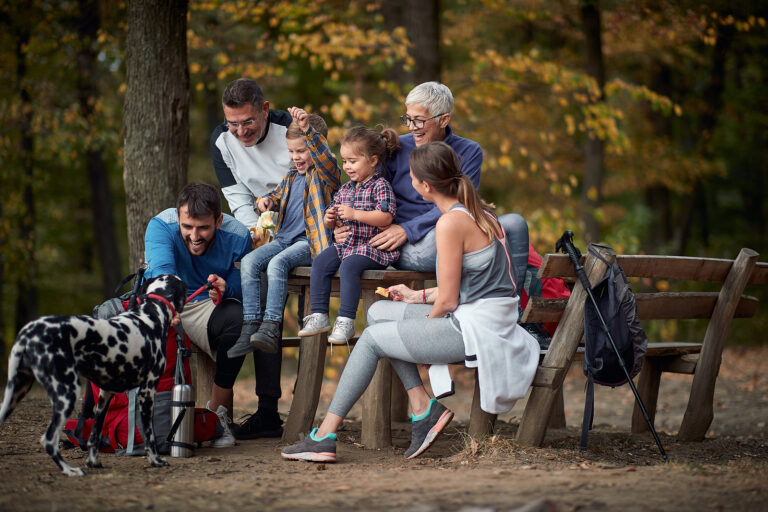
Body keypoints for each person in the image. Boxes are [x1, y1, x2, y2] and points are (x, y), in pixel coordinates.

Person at [281, 142, 539, 463]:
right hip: (481, 315)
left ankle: (324, 435)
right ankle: (422, 407)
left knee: (375, 337)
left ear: (425, 186)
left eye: (412, 178)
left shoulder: (450, 224)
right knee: (378, 312)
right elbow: (465, 288)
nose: (409, 184)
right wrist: (417, 296)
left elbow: (447, 300)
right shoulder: (479, 213)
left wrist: (423, 331)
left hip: (478, 330)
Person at [336, 81, 529, 284]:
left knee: (514, 224)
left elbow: (461, 201)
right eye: (408, 119)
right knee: (461, 239)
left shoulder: (469, 151)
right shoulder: (397, 147)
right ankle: (461, 300)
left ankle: (513, 307)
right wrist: (342, 226)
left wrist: (409, 228)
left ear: (444, 119)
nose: (412, 127)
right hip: (407, 242)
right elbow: (366, 192)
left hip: (448, 228)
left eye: (418, 120)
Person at [144, 183, 283, 446]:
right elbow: (163, 274)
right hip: (166, 300)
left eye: (203, 228)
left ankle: (216, 415)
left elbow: (241, 283)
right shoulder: (160, 226)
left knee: (244, 321)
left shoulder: (238, 234)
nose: (194, 236)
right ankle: (143, 417)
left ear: (218, 221)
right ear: (178, 216)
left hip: (207, 306)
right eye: (187, 227)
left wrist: (225, 286)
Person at [227, 108, 341, 358]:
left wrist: (308, 129)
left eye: (301, 151)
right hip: (284, 239)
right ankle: (251, 325)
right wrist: (265, 202)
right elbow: (275, 196)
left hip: (310, 243)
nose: (295, 157)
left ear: (315, 144)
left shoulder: (324, 175)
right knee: (249, 261)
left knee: (277, 264)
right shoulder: (291, 175)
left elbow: (325, 159)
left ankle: (271, 326)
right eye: (291, 151)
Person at [297, 126, 400, 344]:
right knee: (322, 261)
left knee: (349, 266)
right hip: (347, 244)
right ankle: (319, 315)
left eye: (353, 161)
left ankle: (345, 321)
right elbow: (333, 213)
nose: (347, 167)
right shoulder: (345, 189)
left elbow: (385, 217)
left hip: (372, 247)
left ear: (372, 161)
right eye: (345, 161)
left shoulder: (380, 186)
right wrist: (330, 219)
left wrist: (355, 214)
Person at [210, 78, 292, 231]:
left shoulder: (291, 129)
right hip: (264, 224)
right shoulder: (221, 141)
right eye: (233, 123)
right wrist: (256, 236)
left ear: (265, 109)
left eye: (248, 122)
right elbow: (239, 199)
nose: (241, 132)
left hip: (304, 222)